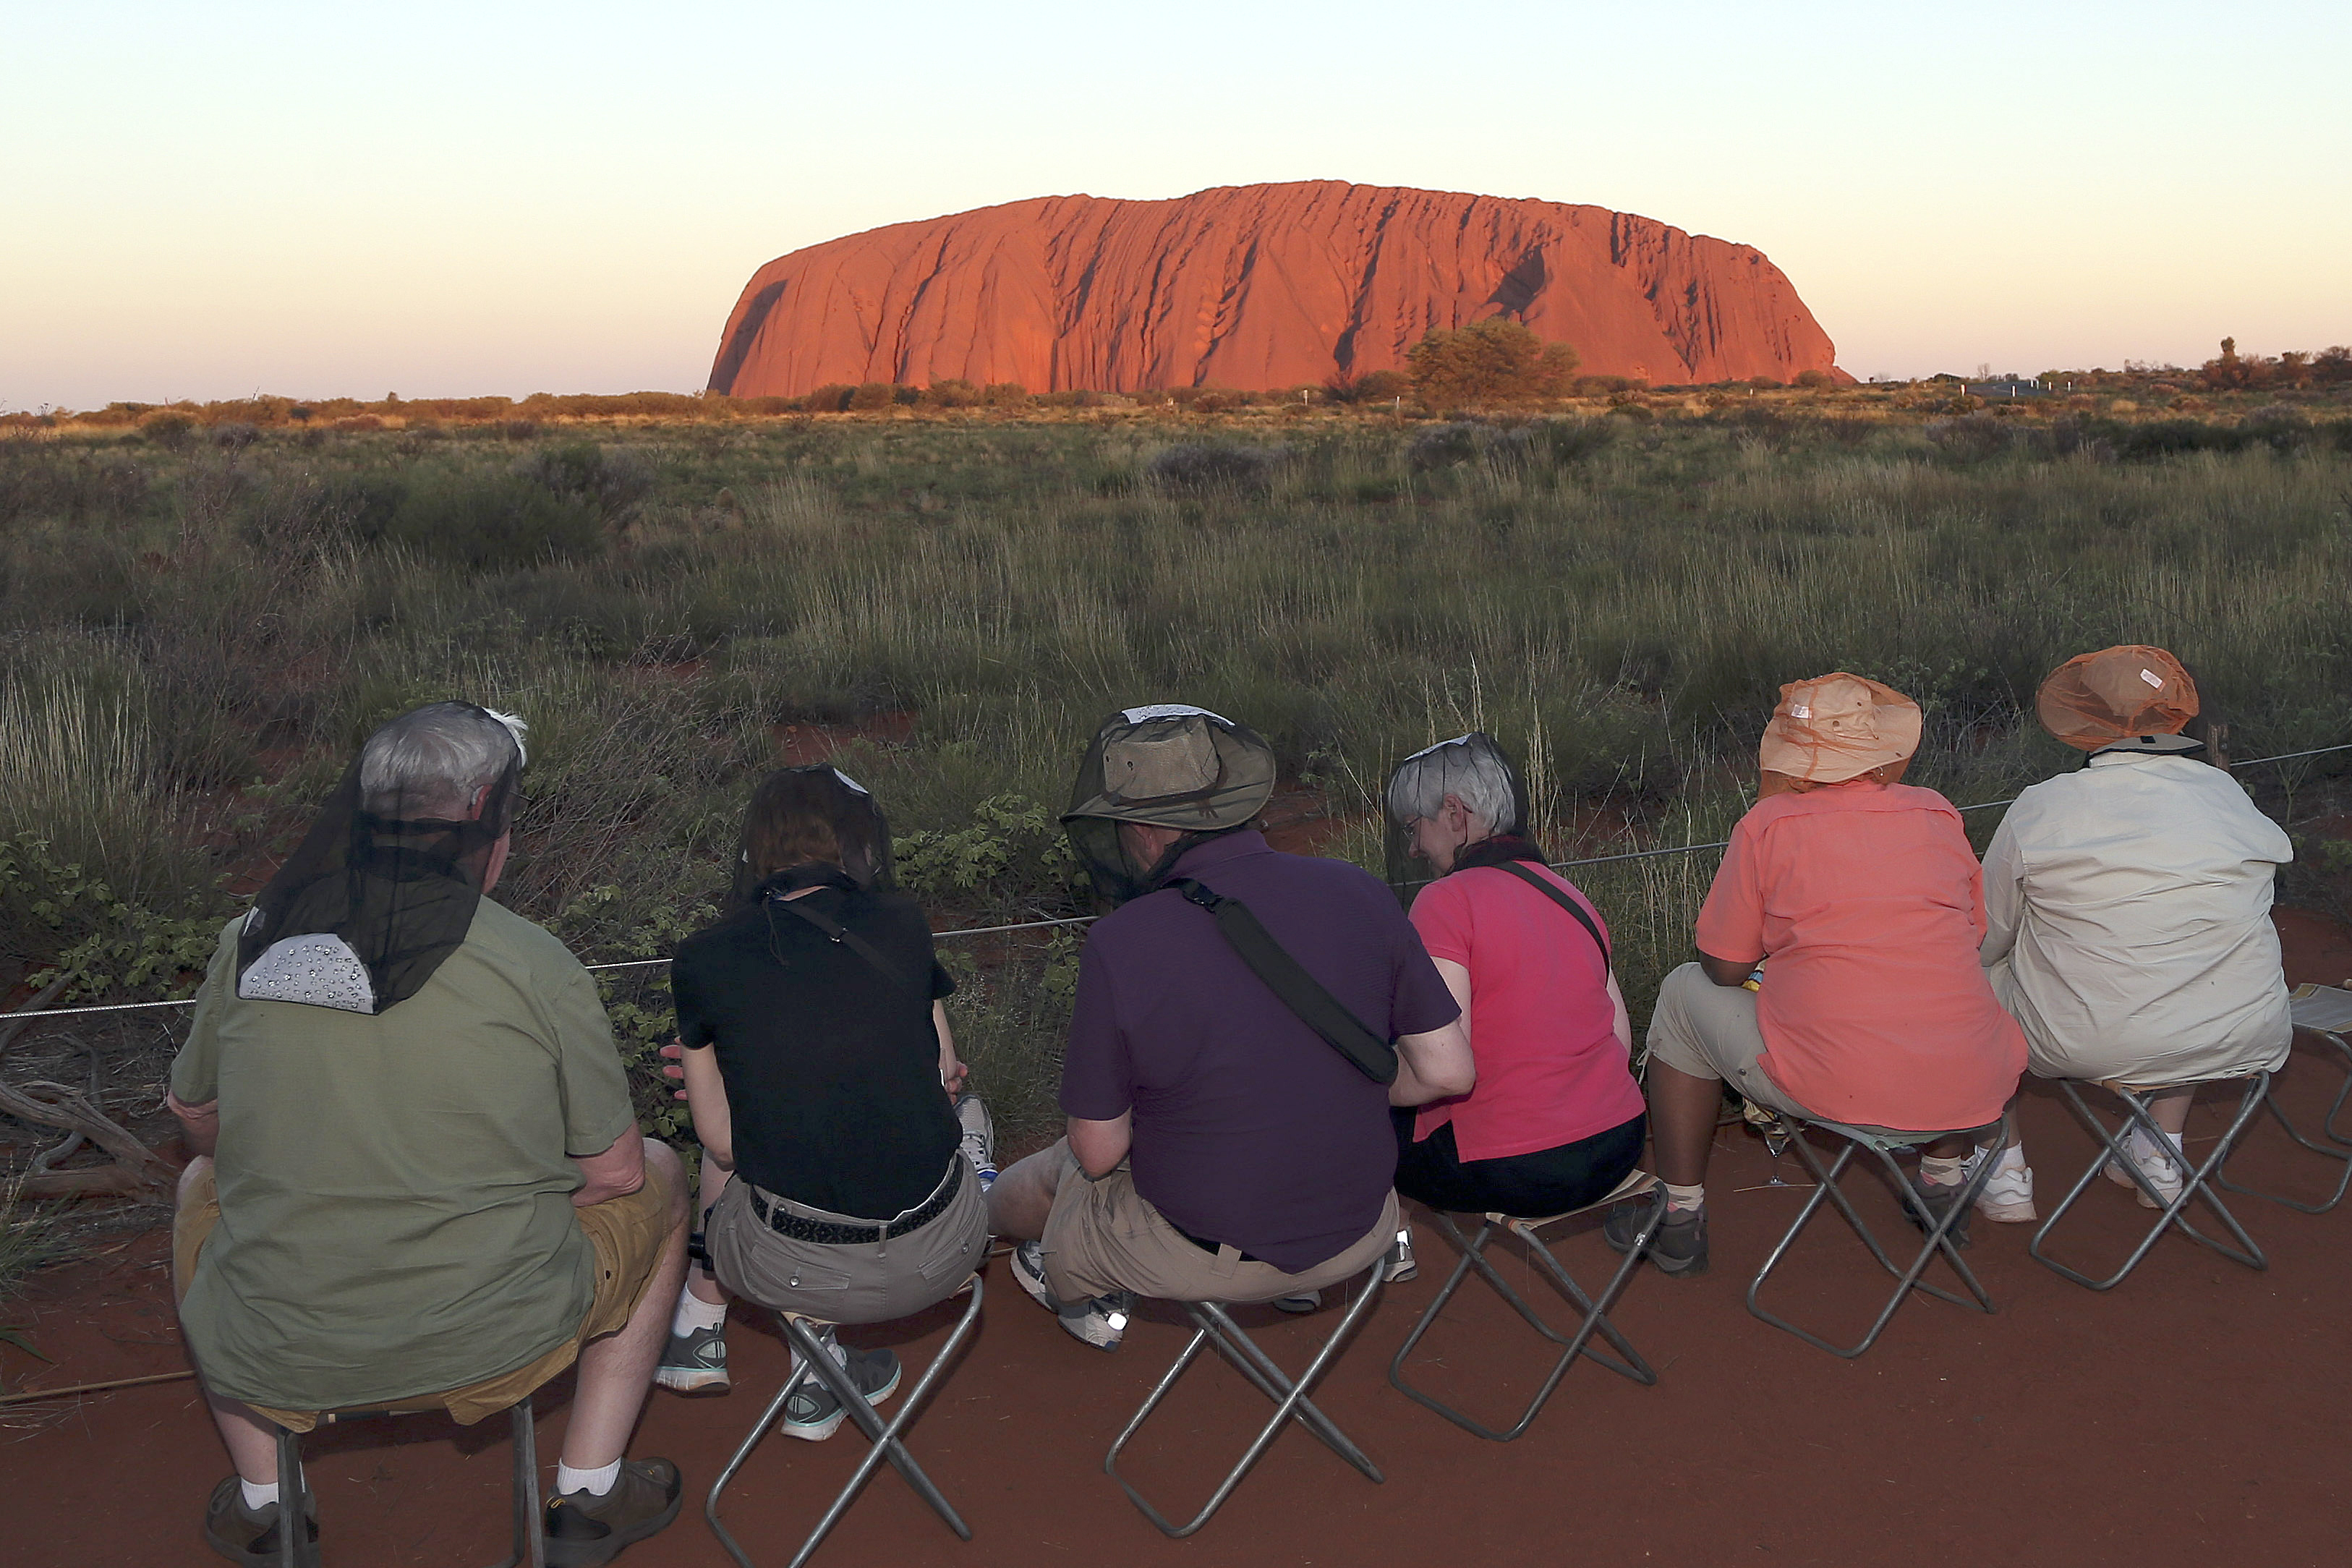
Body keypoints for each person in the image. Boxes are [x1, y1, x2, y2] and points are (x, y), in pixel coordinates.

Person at [166, 702, 689, 1567]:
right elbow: (614, 1171)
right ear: (484, 808)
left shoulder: (250, 940)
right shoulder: (534, 959)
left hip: (284, 1336)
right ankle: (590, 1494)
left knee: (196, 1189)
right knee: (663, 1176)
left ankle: (268, 1503)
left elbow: (195, 1119)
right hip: (495, 1337)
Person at [987, 704, 1475, 1350]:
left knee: (1061, 1169)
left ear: (1138, 827)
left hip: (1206, 1250)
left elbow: (1099, 1150)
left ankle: (981, 1228)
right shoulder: (1360, 891)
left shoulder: (1122, 941)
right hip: (1363, 1230)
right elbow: (1449, 1071)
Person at [1605, 674, 2026, 1276]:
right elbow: (1973, 933)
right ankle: (1941, 1182)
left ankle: (1678, 1215)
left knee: (1680, 992)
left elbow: (1724, 968)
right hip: (1975, 1083)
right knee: (1939, 984)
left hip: (1841, 1083)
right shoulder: (1937, 811)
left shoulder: (1770, 824)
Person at [654, 766, 992, 1439]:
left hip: (789, 1265)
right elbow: (945, 1072)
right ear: (856, 844)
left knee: (751, 1150)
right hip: (944, 1252)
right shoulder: (901, 922)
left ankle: (701, 1328)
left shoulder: (704, 958)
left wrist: (744, 1071)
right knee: (964, 1113)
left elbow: (721, 1142)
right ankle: (815, 1381)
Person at [1967, 647, 2292, 1218]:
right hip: (2239, 1031)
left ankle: (2004, 1167)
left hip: (2087, 1038)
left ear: (2086, 718)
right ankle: (2159, 1151)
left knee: (1970, 979)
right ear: (2174, 715)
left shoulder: (2043, 806)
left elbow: (1988, 934)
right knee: (2195, 951)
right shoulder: (2228, 794)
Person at [1384, 733, 1647, 1219]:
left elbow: (1444, 1069)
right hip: (1618, 1145)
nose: (1415, 847)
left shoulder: (1445, 900)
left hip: (1512, 1166)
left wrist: (1373, 1078)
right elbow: (1620, 1042)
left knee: (1358, 1097)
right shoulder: (1569, 894)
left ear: (1454, 814)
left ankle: (1381, 1249)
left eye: (1413, 826)